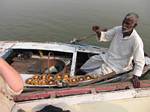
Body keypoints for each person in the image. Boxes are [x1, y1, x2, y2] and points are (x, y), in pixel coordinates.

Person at [79, 12, 145, 88]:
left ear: (135, 25)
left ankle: (80, 81)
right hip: (108, 57)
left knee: (95, 74)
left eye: (127, 24)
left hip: (118, 65)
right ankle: (80, 73)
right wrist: (98, 32)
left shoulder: (136, 40)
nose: (124, 25)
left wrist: (136, 76)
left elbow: (140, 60)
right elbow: (105, 36)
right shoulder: (118, 29)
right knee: (92, 60)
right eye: (123, 22)